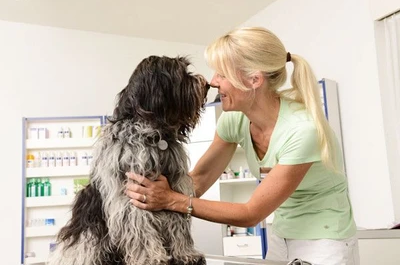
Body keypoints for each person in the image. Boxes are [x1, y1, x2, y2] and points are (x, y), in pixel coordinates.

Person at [125, 26, 359, 265]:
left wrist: (171, 200)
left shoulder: (301, 131)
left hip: (326, 239)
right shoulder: (234, 119)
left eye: (222, 74)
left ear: (254, 79)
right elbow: (199, 180)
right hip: (282, 235)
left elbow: (251, 213)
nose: (212, 82)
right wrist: (144, 193)